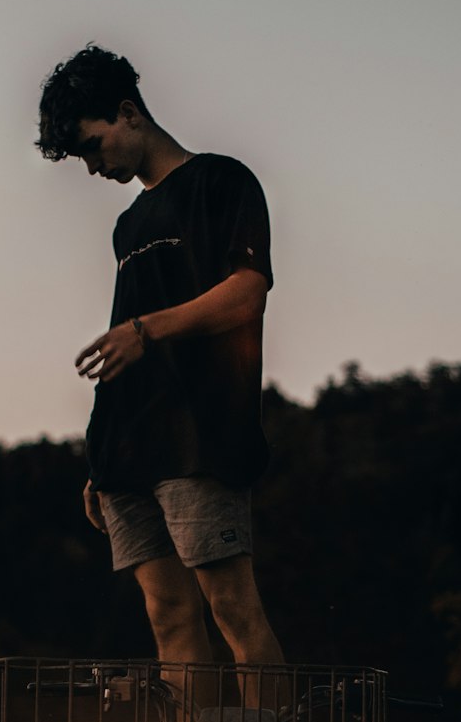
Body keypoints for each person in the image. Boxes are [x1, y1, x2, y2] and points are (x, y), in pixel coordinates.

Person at [36, 45, 284, 682]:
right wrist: (102, 461)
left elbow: (247, 292)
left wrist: (146, 330)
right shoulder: (127, 225)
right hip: (128, 451)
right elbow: (125, 351)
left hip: (199, 439)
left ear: (128, 113)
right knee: (168, 617)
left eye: (94, 145)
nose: (92, 167)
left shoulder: (220, 181)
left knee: (232, 609)